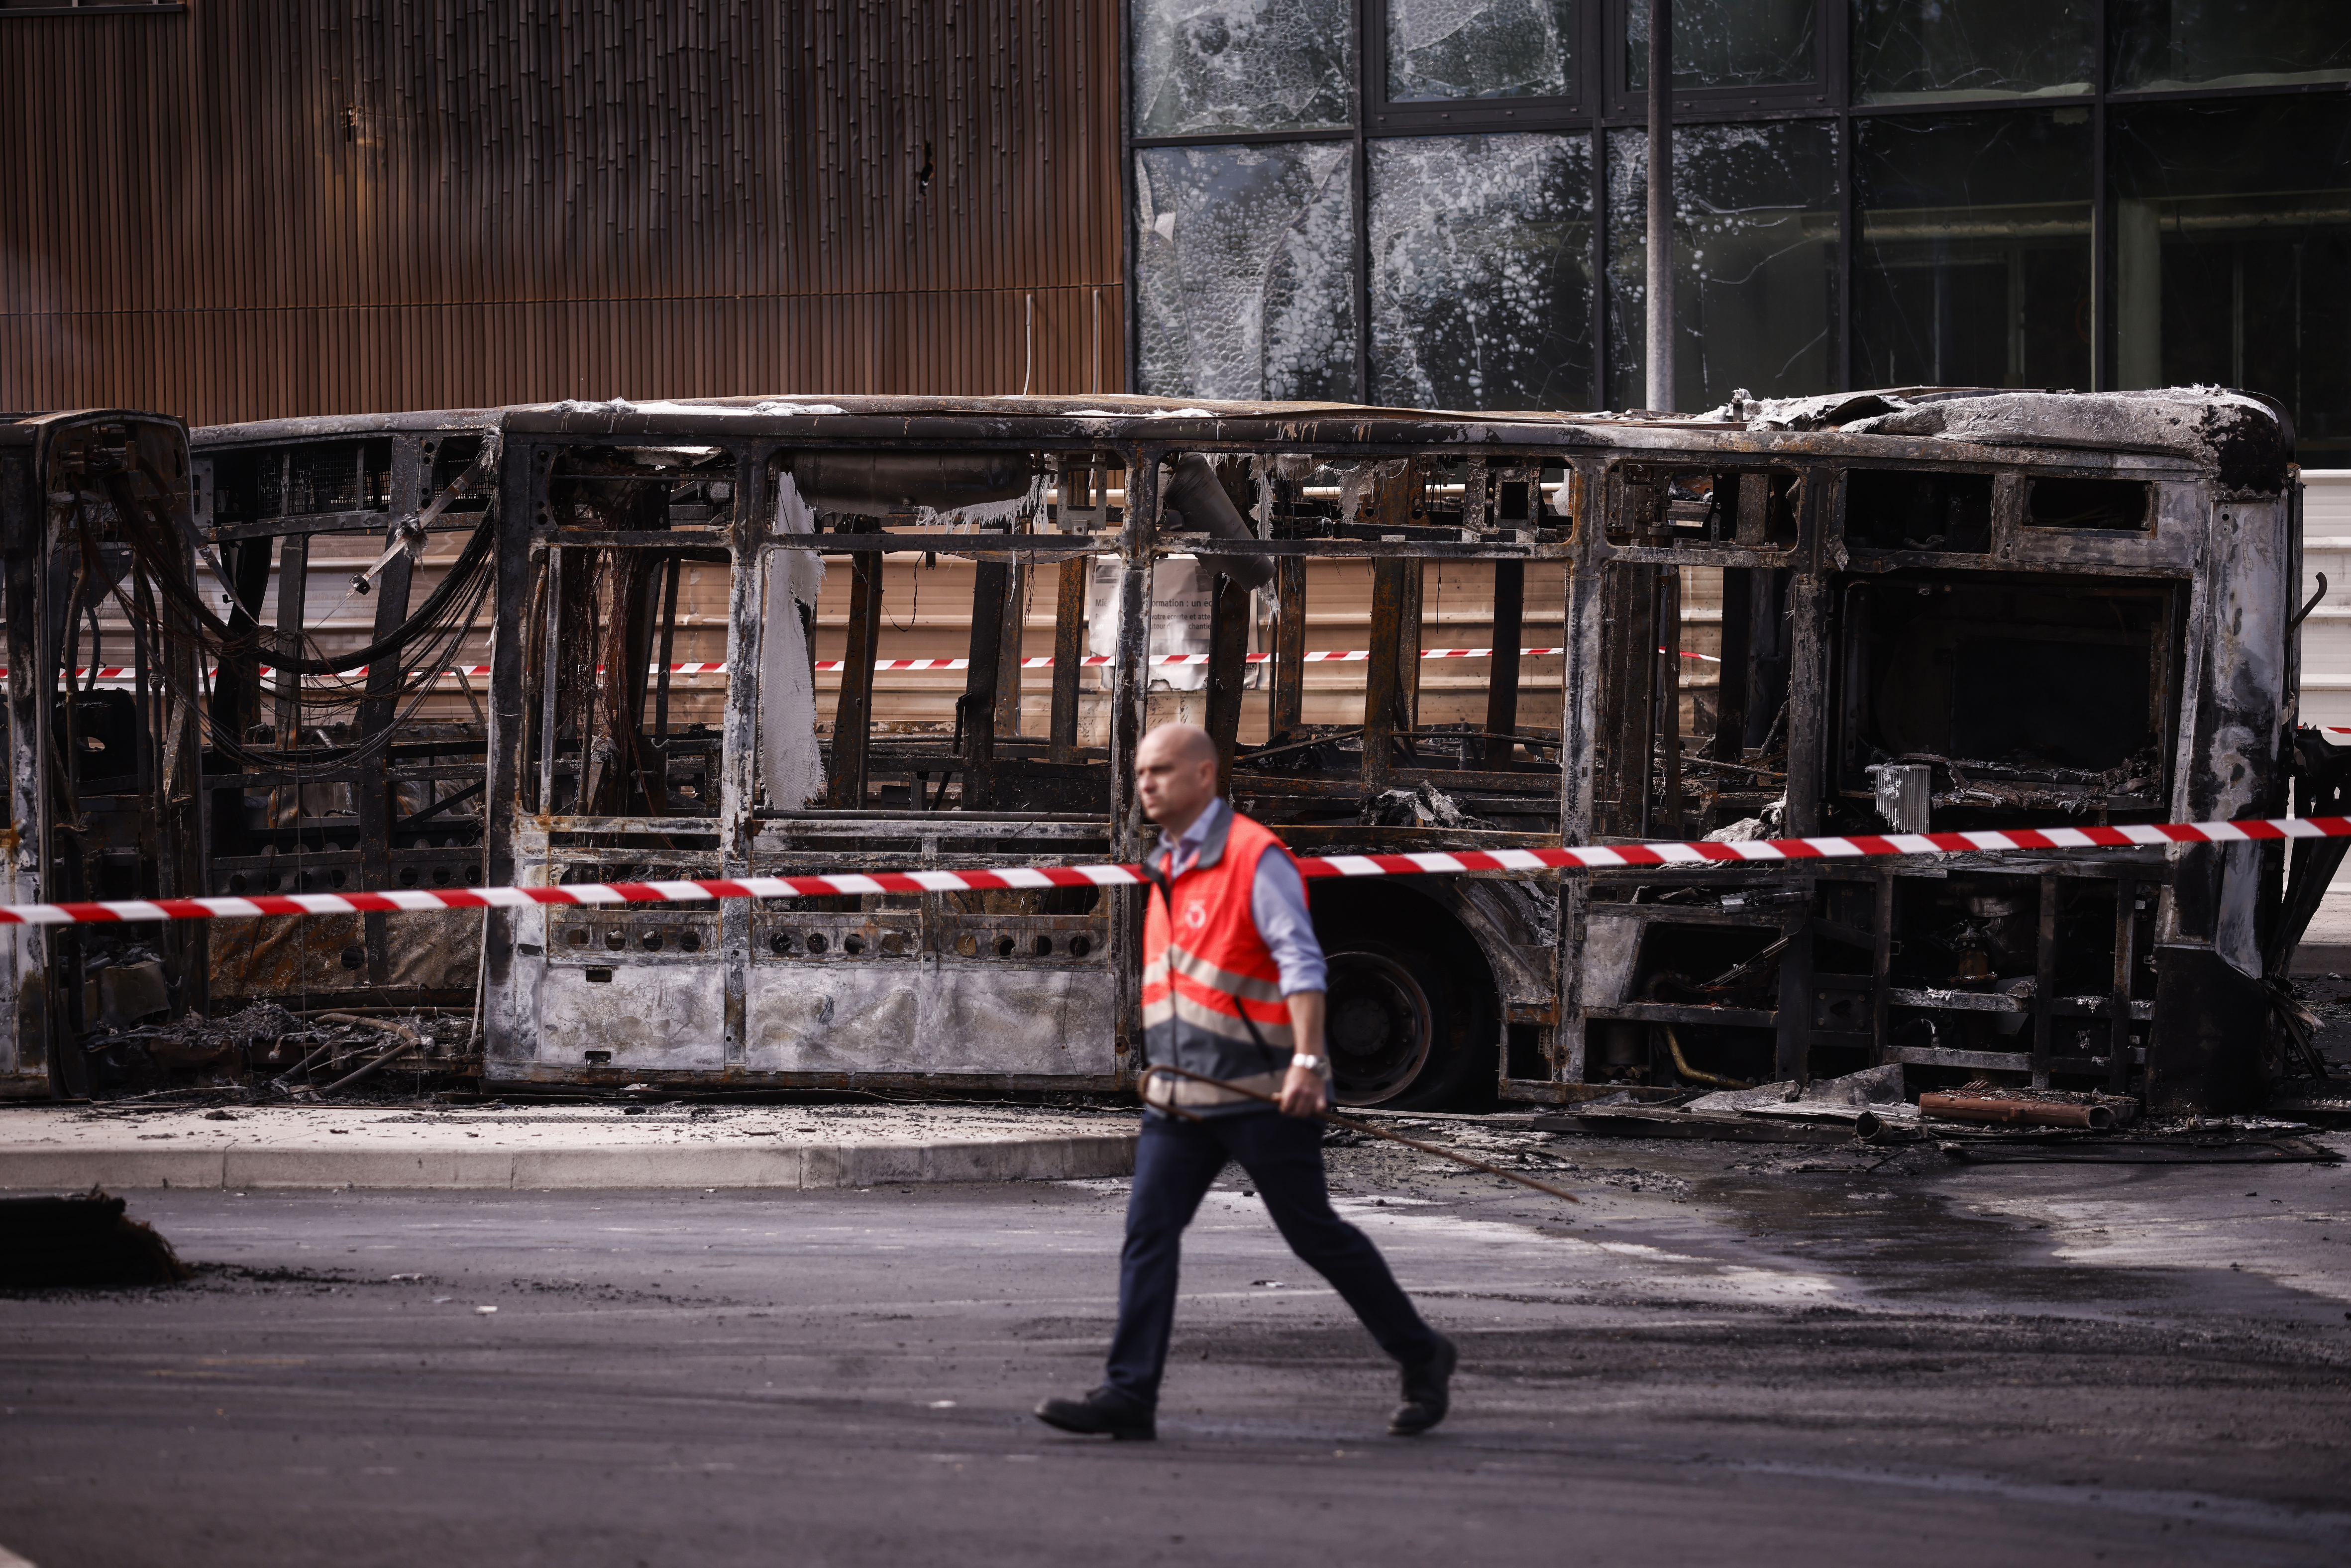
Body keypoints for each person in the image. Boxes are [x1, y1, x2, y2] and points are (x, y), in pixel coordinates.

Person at [1034, 723, 1455, 1442]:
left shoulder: (1256, 860)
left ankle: (1423, 1352)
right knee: (1148, 1234)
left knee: (1314, 1236)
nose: (1146, 786)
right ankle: (1129, 1395)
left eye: (1162, 771)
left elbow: (1302, 965)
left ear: (1206, 776)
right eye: (1141, 773)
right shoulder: (1169, 862)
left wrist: (1311, 1062)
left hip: (1262, 1094)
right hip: (1184, 1098)